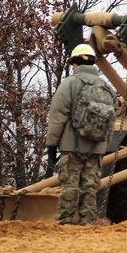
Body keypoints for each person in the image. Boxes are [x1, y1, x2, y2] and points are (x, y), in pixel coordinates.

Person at [46, 44, 116, 225]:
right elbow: (111, 120)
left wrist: (52, 145)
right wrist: (103, 145)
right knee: (91, 187)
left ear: (74, 63)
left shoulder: (70, 83)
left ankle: (66, 222)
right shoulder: (107, 88)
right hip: (97, 147)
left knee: (69, 185)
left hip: (72, 144)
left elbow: (57, 116)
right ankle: (88, 223)